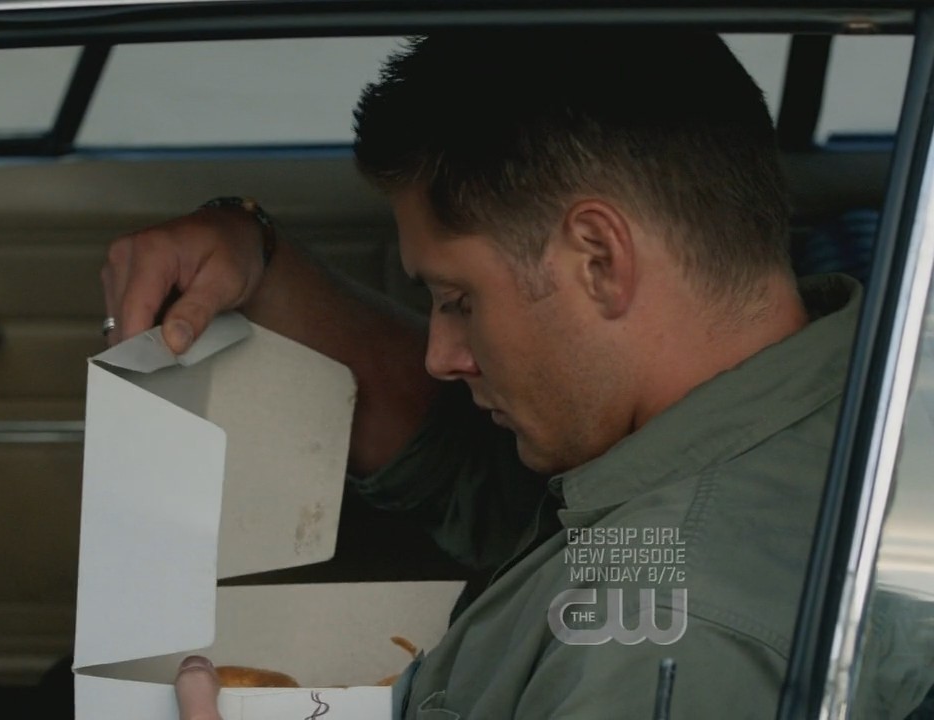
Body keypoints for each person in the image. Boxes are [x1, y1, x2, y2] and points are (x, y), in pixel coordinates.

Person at [102, 30, 863, 719]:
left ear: (600, 259)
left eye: (459, 301)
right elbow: (463, 463)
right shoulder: (808, 416)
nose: (441, 355)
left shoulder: (663, 637)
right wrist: (253, 250)